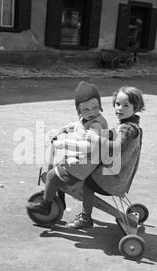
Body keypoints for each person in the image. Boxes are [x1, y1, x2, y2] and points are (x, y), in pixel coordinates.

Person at [26, 81, 108, 224]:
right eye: (86, 110)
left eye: (95, 107)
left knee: (52, 175)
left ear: (100, 105)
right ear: (79, 111)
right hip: (81, 160)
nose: (91, 112)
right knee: (59, 168)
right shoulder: (86, 119)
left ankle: (46, 207)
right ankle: (60, 202)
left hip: (85, 163)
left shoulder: (96, 124)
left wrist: (64, 143)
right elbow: (77, 125)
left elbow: (88, 146)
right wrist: (62, 129)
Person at [74, 86, 145, 229]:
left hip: (113, 179)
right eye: (118, 104)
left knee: (87, 181)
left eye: (126, 105)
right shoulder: (130, 125)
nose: (120, 108)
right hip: (119, 174)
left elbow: (116, 146)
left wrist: (95, 138)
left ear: (136, 107)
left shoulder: (128, 129)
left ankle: (85, 217)